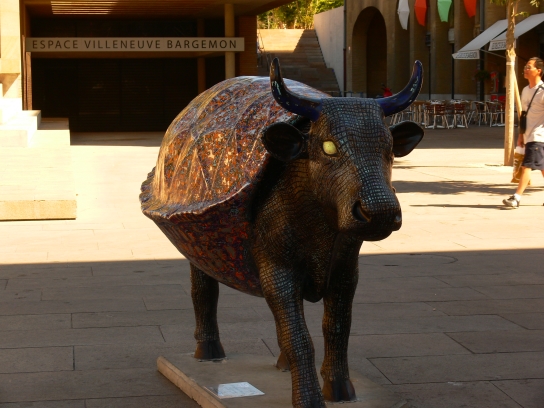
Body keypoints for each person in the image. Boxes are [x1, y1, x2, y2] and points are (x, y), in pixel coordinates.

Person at [503, 57, 544, 208]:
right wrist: (521, 135)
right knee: (542, 167)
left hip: (538, 136)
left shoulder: (543, 91)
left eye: (529, 67)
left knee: (526, 166)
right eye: (525, 66)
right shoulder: (525, 90)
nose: (525, 69)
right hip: (528, 135)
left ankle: (516, 197)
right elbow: (523, 115)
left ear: (538, 70)